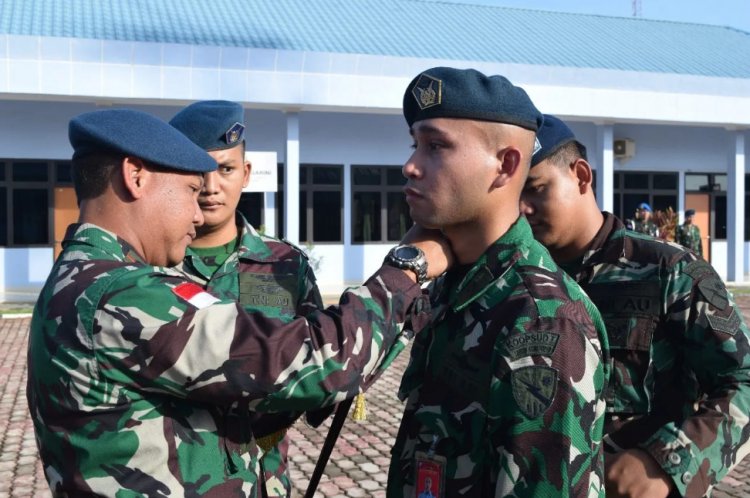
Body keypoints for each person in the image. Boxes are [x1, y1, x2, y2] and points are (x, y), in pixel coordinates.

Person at [26, 108, 453, 497]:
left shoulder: (80, 277)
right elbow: (317, 362)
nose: (199, 212)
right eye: (191, 189)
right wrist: (405, 270)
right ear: (136, 177)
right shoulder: (120, 294)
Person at [387, 67, 610, 497]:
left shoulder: (542, 321)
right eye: (415, 145)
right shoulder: (459, 284)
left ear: (506, 165)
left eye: (436, 146)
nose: (410, 166)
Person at [520, 113, 750, 498]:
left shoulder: (669, 271)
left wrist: (665, 462)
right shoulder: (520, 277)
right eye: (513, 198)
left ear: (581, 176)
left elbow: (743, 378)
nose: (523, 209)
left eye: (536, 189)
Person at [170, 100, 330, 497]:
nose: (211, 186)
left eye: (225, 169)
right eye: (199, 171)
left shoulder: (286, 265)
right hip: (179, 477)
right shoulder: (153, 267)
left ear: (245, 174)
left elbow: (322, 362)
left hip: (266, 477)